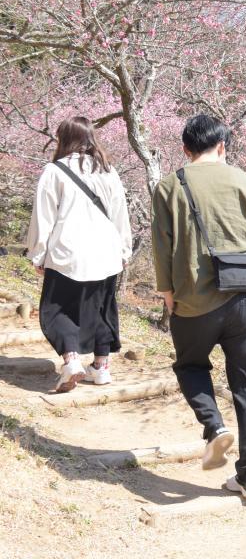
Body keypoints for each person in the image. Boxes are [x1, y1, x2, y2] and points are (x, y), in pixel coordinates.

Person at [151, 114, 246, 498]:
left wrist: (167, 292)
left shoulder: (170, 186)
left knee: (190, 366)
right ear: (221, 146)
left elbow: (161, 245)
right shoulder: (244, 180)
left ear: (186, 149)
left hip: (194, 301)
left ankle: (214, 427)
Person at [25, 117, 132, 392]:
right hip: (106, 253)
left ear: (65, 139)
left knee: (57, 309)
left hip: (67, 253)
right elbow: (121, 214)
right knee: (102, 309)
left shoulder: (54, 171)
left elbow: (43, 216)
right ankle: (101, 368)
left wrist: (38, 253)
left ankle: (72, 361)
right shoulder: (108, 170)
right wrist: (124, 249)